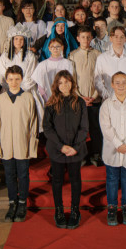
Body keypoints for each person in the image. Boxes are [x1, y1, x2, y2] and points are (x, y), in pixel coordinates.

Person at [0, 65, 39, 222]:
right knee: (10, 175)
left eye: (17, 79)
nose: (14, 82)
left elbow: (33, 123)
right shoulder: (0, 99)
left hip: (22, 142)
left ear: (21, 79)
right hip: (6, 142)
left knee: (23, 174)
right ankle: (12, 203)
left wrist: (32, 144)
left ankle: (22, 203)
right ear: (6, 80)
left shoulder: (28, 98)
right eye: (11, 79)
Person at [44, 71, 88, 229]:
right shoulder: (51, 103)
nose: (64, 85)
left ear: (72, 83)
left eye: (67, 81)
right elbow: (47, 128)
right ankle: (59, 210)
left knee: (75, 180)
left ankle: (75, 210)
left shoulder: (80, 102)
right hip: (57, 149)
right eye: (61, 82)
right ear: (56, 85)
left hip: (75, 149)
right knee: (57, 180)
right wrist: (61, 146)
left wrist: (75, 147)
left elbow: (84, 127)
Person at [99, 71, 126, 226]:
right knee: (112, 179)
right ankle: (112, 208)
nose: (121, 85)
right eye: (117, 83)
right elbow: (106, 127)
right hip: (112, 149)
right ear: (112, 85)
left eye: (124, 82)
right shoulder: (106, 105)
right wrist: (118, 144)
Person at [69, 26, 103, 166]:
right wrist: (80, 97)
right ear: (78, 38)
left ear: (92, 38)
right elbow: (71, 78)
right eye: (83, 37)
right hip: (79, 99)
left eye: (88, 37)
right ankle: (81, 155)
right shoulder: (73, 55)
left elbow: (101, 76)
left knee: (96, 128)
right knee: (80, 129)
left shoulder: (98, 54)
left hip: (95, 98)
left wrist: (94, 96)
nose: (85, 40)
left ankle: (96, 154)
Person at [94, 25, 126, 103]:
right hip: (109, 102)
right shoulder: (102, 58)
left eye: (122, 37)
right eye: (116, 37)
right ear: (110, 38)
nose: (119, 40)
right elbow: (98, 82)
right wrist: (109, 98)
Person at [0, 24, 38, 93]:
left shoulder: (30, 56)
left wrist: (21, 90)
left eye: (21, 39)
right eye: (16, 39)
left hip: (26, 90)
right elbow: (2, 74)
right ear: (12, 40)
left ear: (24, 41)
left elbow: (31, 74)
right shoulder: (5, 56)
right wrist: (11, 88)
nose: (18, 41)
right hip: (8, 90)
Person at [31, 37, 74, 102]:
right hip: (48, 98)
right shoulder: (42, 65)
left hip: (65, 98)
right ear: (49, 48)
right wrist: (46, 98)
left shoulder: (68, 63)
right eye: (52, 47)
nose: (55, 49)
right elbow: (40, 85)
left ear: (62, 48)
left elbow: (70, 82)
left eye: (58, 46)